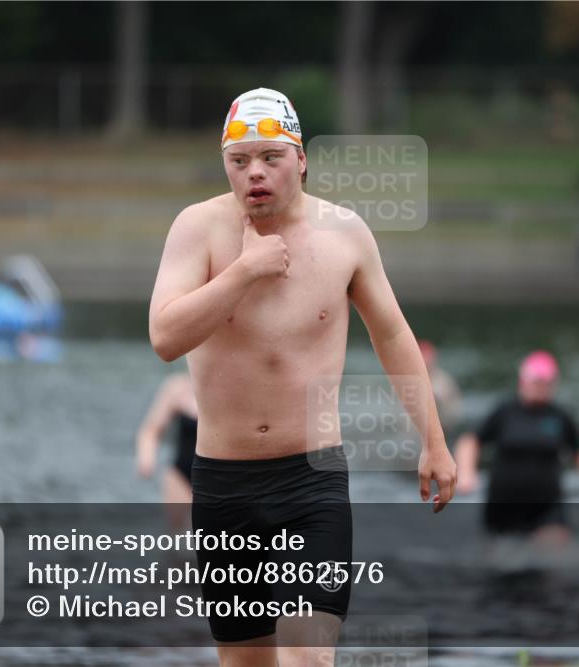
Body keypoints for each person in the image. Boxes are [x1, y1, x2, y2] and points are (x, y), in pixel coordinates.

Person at [148, 88, 456, 666]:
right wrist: (243, 272)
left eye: (271, 158)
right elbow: (165, 337)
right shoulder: (197, 229)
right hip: (222, 485)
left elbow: (393, 336)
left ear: (302, 158)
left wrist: (434, 443)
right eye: (239, 162)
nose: (254, 174)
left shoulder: (346, 234)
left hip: (310, 484)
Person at [455, 350, 579, 545]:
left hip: (546, 507)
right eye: (536, 382)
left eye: (546, 384)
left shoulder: (559, 416)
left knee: (551, 556)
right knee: (500, 564)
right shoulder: (505, 412)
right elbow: (470, 442)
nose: (541, 388)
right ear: (523, 381)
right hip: (502, 505)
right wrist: (466, 473)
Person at [135, 372, 199, 530]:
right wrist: (146, 457)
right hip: (181, 474)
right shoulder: (178, 387)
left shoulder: (227, 389)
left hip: (217, 476)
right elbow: (151, 430)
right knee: (177, 536)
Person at [417, 339, 463, 439]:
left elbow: (454, 409)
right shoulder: (406, 381)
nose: (426, 362)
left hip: (443, 428)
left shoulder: (444, 381)